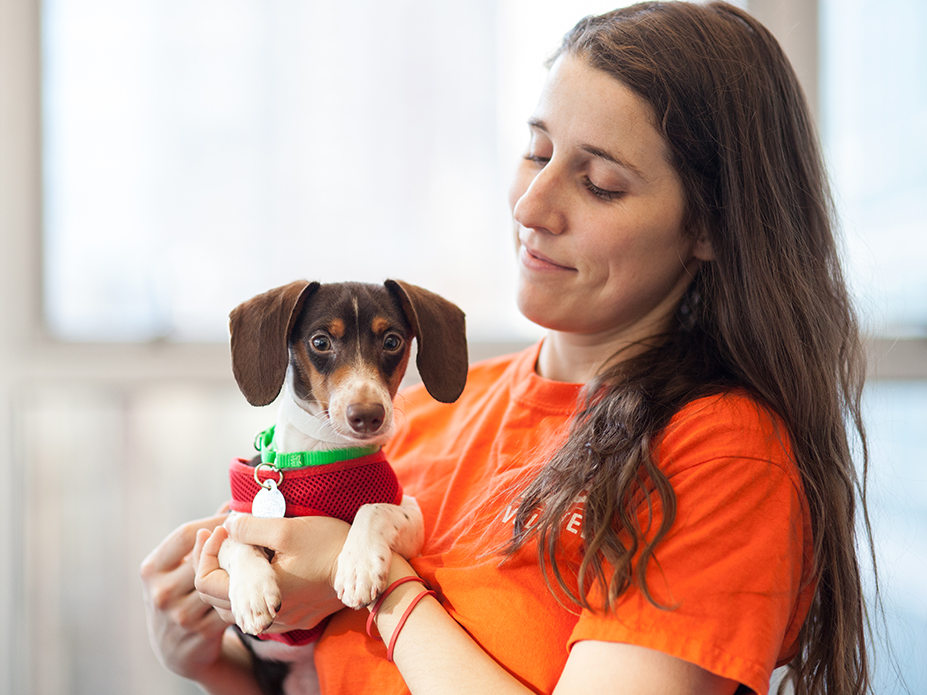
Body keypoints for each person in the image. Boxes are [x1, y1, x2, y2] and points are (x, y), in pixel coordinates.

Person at [140, 2, 873, 694]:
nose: (530, 205)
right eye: (537, 150)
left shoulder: (718, 456)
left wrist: (383, 584)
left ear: (710, 228)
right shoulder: (416, 418)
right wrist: (215, 659)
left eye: (600, 183)